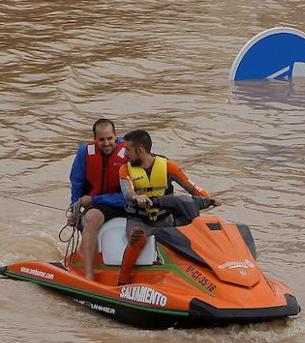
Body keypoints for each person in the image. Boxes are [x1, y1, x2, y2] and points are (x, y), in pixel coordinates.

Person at [116, 128, 217, 273]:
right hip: (139, 221)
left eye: (128, 150)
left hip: (165, 220)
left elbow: (192, 187)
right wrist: (136, 197)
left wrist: (208, 198)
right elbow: (127, 192)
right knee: (137, 236)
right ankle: (123, 281)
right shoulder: (125, 170)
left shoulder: (168, 166)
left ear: (140, 150)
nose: (125, 154)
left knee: (192, 236)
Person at [66, 118, 130, 280]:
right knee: (91, 217)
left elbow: (129, 195)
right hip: (99, 207)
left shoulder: (128, 153)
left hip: (123, 202)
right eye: (101, 140)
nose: (107, 143)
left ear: (116, 136)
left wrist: (94, 200)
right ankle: (88, 275)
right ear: (94, 139)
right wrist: (74, 209)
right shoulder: (84, 153)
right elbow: (77, 183)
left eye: (110, 138)